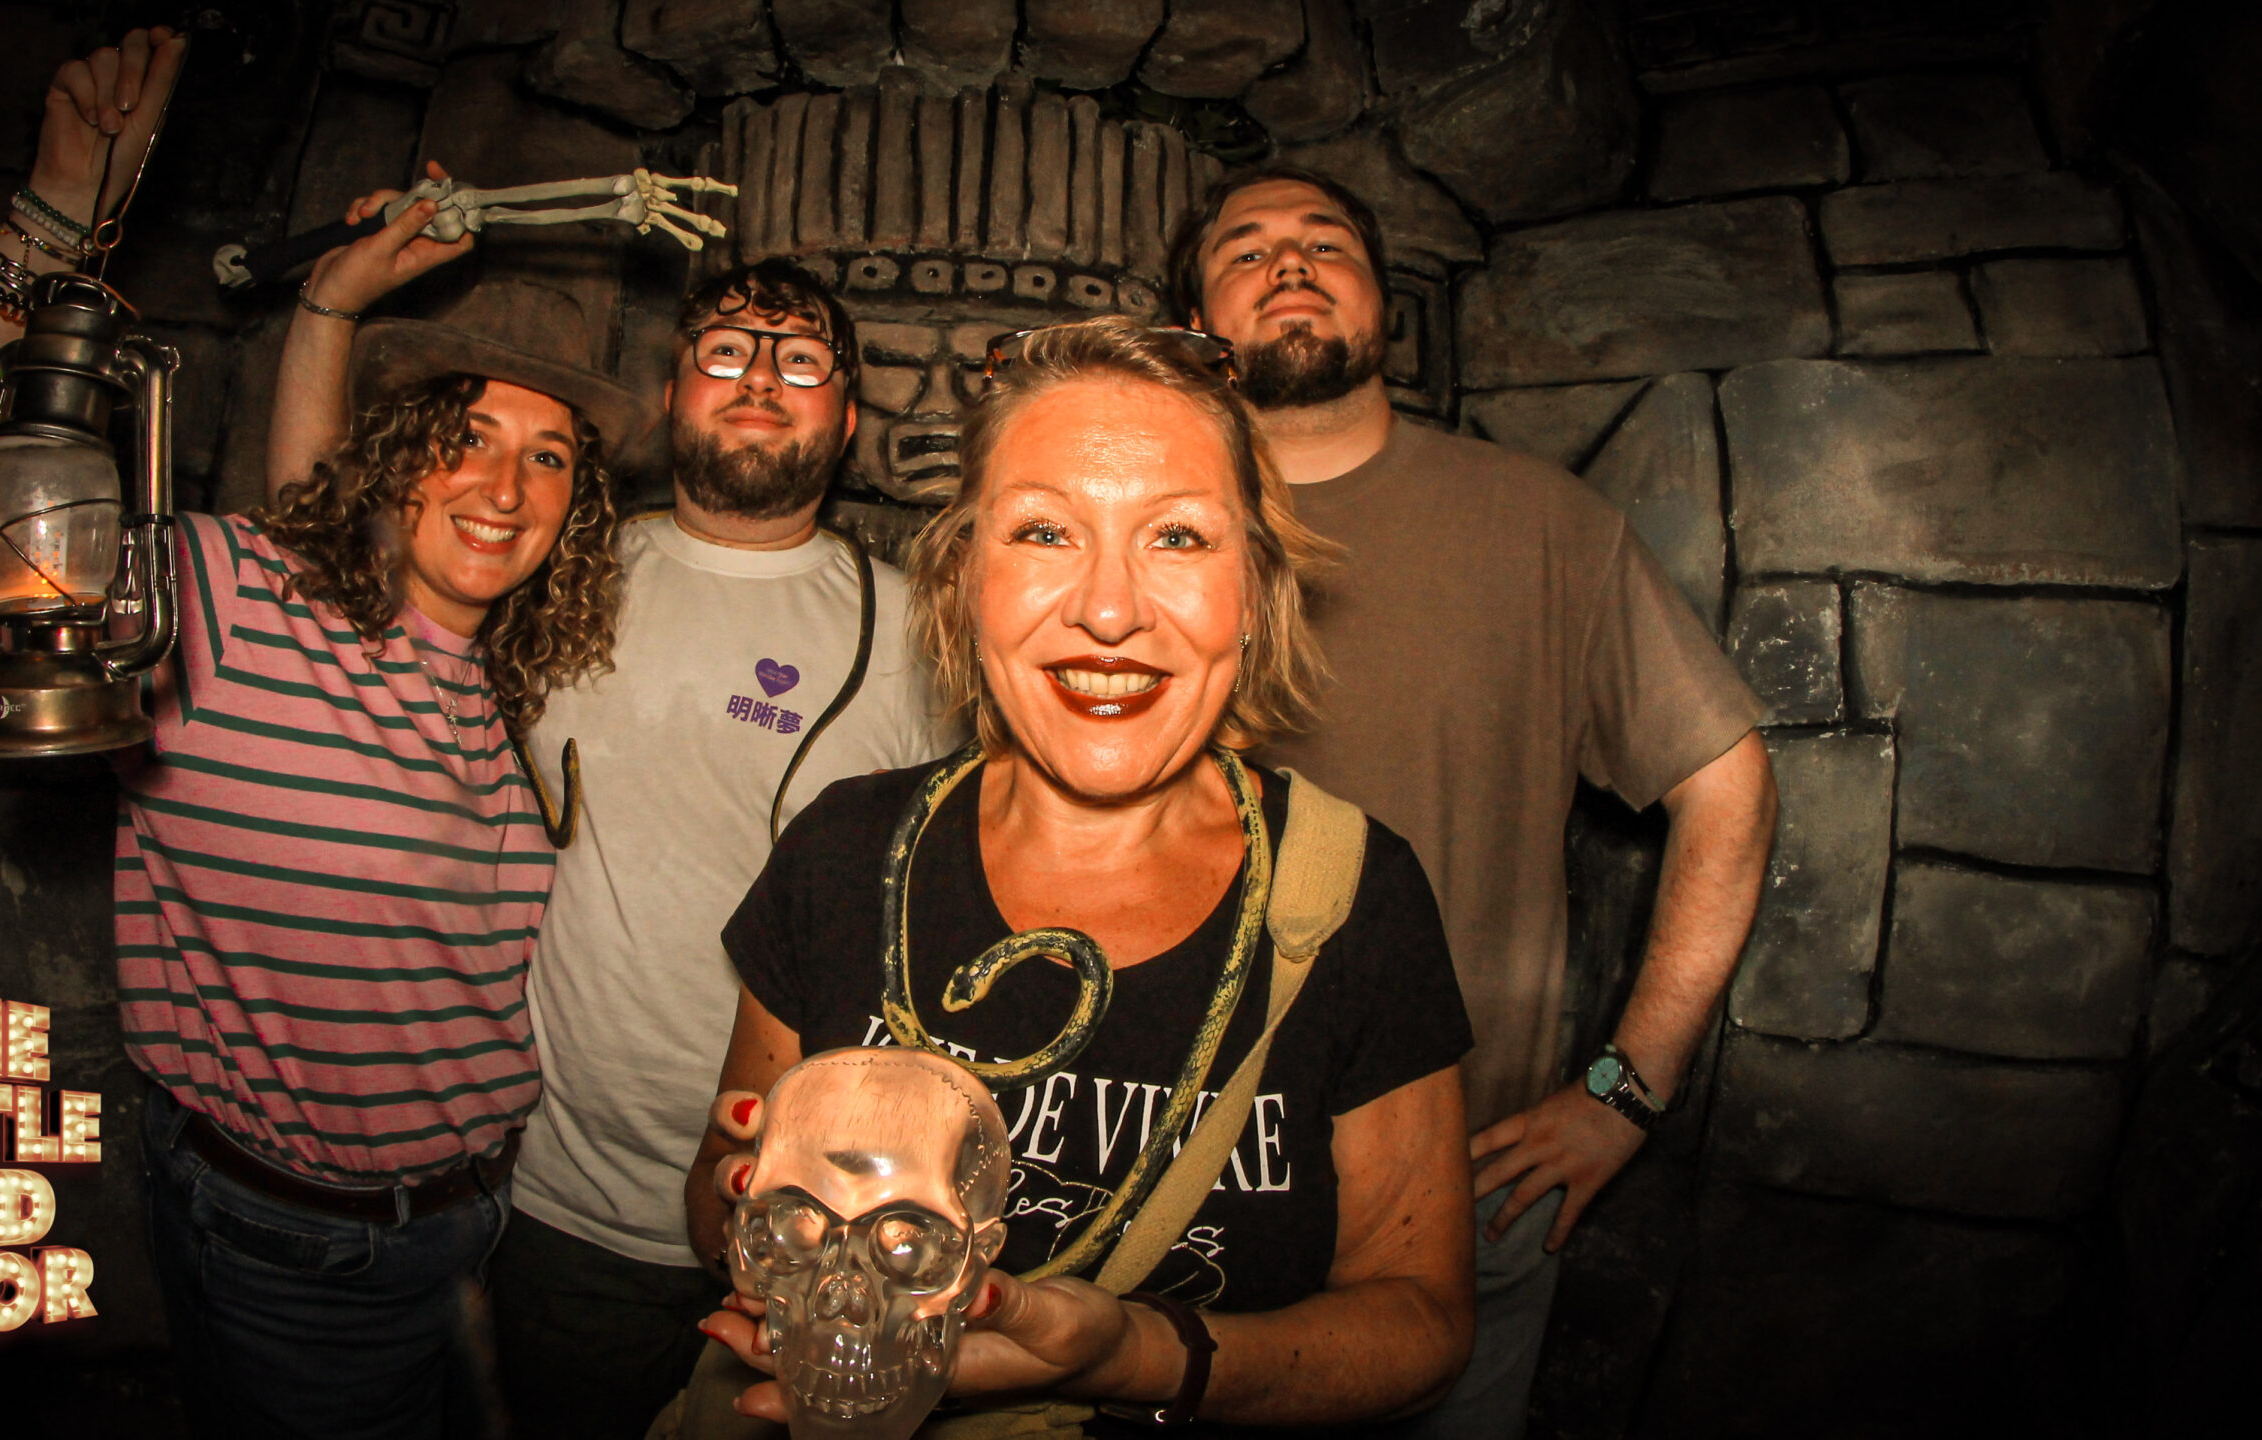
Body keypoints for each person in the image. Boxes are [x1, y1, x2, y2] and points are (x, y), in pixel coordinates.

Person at [0, 30, 645, 1439]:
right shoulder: (226, 603)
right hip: (300, 1250)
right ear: (397, 457)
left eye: (549, 456)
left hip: (484, 1224)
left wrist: (329, 309)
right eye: (464, 434)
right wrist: (50, 220)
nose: (504, 485)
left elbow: (327, 553)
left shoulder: (502, 683)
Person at [685, 318, 1477, 1433]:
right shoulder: (843, 849)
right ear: (965, 578)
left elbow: (1422, 1323)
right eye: (1045, 531)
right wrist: (763, 1216)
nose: (1109, 610)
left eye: (1179, 537)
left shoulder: (1355, 895)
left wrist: (1135, 1356)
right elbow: (718, 1195)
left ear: (1255, 590)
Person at [270, 218, 949, 1434]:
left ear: (846, 420)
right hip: (564, 1207)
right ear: (673, 391)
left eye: (800, 361)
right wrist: (326, 313)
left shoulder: (917, 636)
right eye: (726, 350)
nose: (759, 378)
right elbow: (333, 574)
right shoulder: (550, 572)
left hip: (810, 1218)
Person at [1167, 166, 1779, 1436]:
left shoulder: (1540, 523)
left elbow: (1728, 782)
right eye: (1246, 251)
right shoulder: (1137, 535)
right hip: (1164, 1182)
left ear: (1384, 306)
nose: (1289, 264)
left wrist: (1626, 1090)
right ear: (1194, 323)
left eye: (1325, 243)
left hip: (1459, 1191)